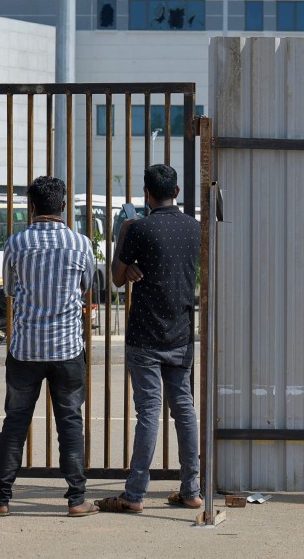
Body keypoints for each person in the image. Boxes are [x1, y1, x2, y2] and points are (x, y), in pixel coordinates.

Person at [0, 176, 98, 518]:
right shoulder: (80, 244)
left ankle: (1, 499)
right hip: (67, 349)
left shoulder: (16, 243)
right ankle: (77, 499)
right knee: (70, 422)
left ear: (32, 206)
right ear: (63, 206)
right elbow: (86, 285)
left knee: (15, 422)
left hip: (25, 349)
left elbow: (9, 289)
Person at [96, 164, 202, 514]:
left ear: (146, 194)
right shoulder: (194, 228)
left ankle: (134, 495)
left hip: (144, 336)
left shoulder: (138, 228)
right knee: (184, 410)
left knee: (148, 413)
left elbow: (116, 278)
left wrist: (124, 239)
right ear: (176, 192)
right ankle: (191, 490)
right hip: (181, 334)